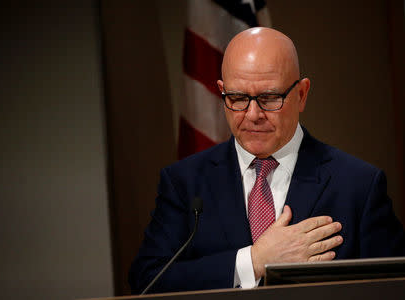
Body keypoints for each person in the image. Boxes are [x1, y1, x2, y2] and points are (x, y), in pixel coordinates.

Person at [128, 27, 405, 294]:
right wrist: (253, 261)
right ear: (222, 91)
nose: (252, 114)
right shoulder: (184, 183)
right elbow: (148, 281)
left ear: (301, 94)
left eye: (269, 98)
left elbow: (391, 287)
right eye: (237, 98)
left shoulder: (358, 185)